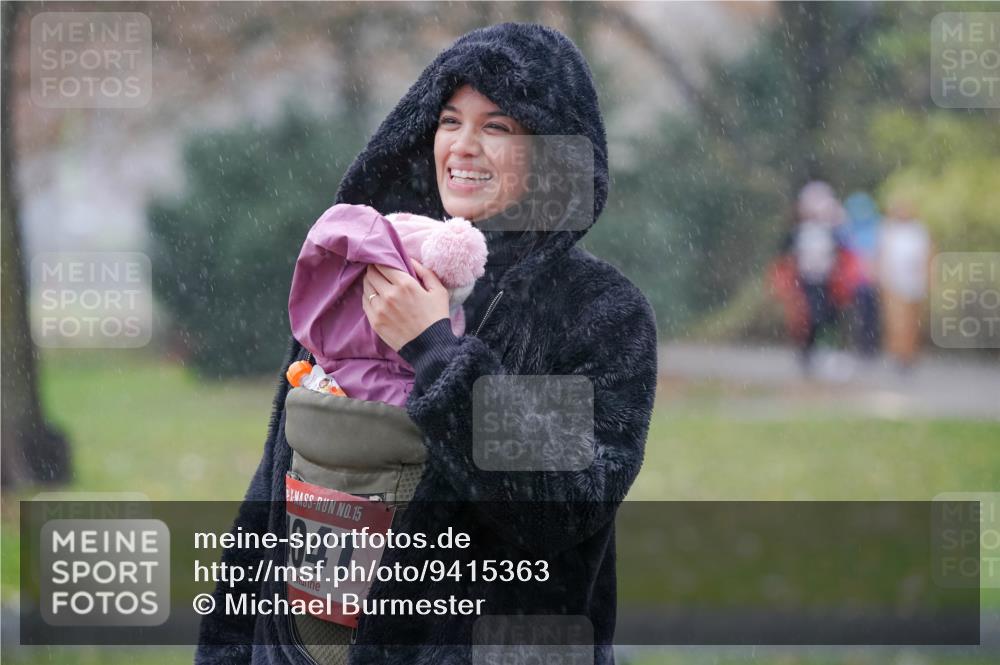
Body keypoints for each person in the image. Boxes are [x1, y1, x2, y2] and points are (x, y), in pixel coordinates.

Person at [195, 22, 659, 665]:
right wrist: (227, 652)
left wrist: (434, 348)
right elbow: (273, 494)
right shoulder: (369, 269)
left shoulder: (597, 312)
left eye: (497, 126)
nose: (463, 146)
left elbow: (558, 505)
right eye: (449, 120)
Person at [878, 195, 932, 371]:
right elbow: (882, 257)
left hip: (914, 283)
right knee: (896, 322)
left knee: (912, 323)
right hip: (895, 284)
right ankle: (898, 355)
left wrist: (926, 278)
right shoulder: (889, 231)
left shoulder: (919, 231)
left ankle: (910, 355)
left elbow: (927, 256)